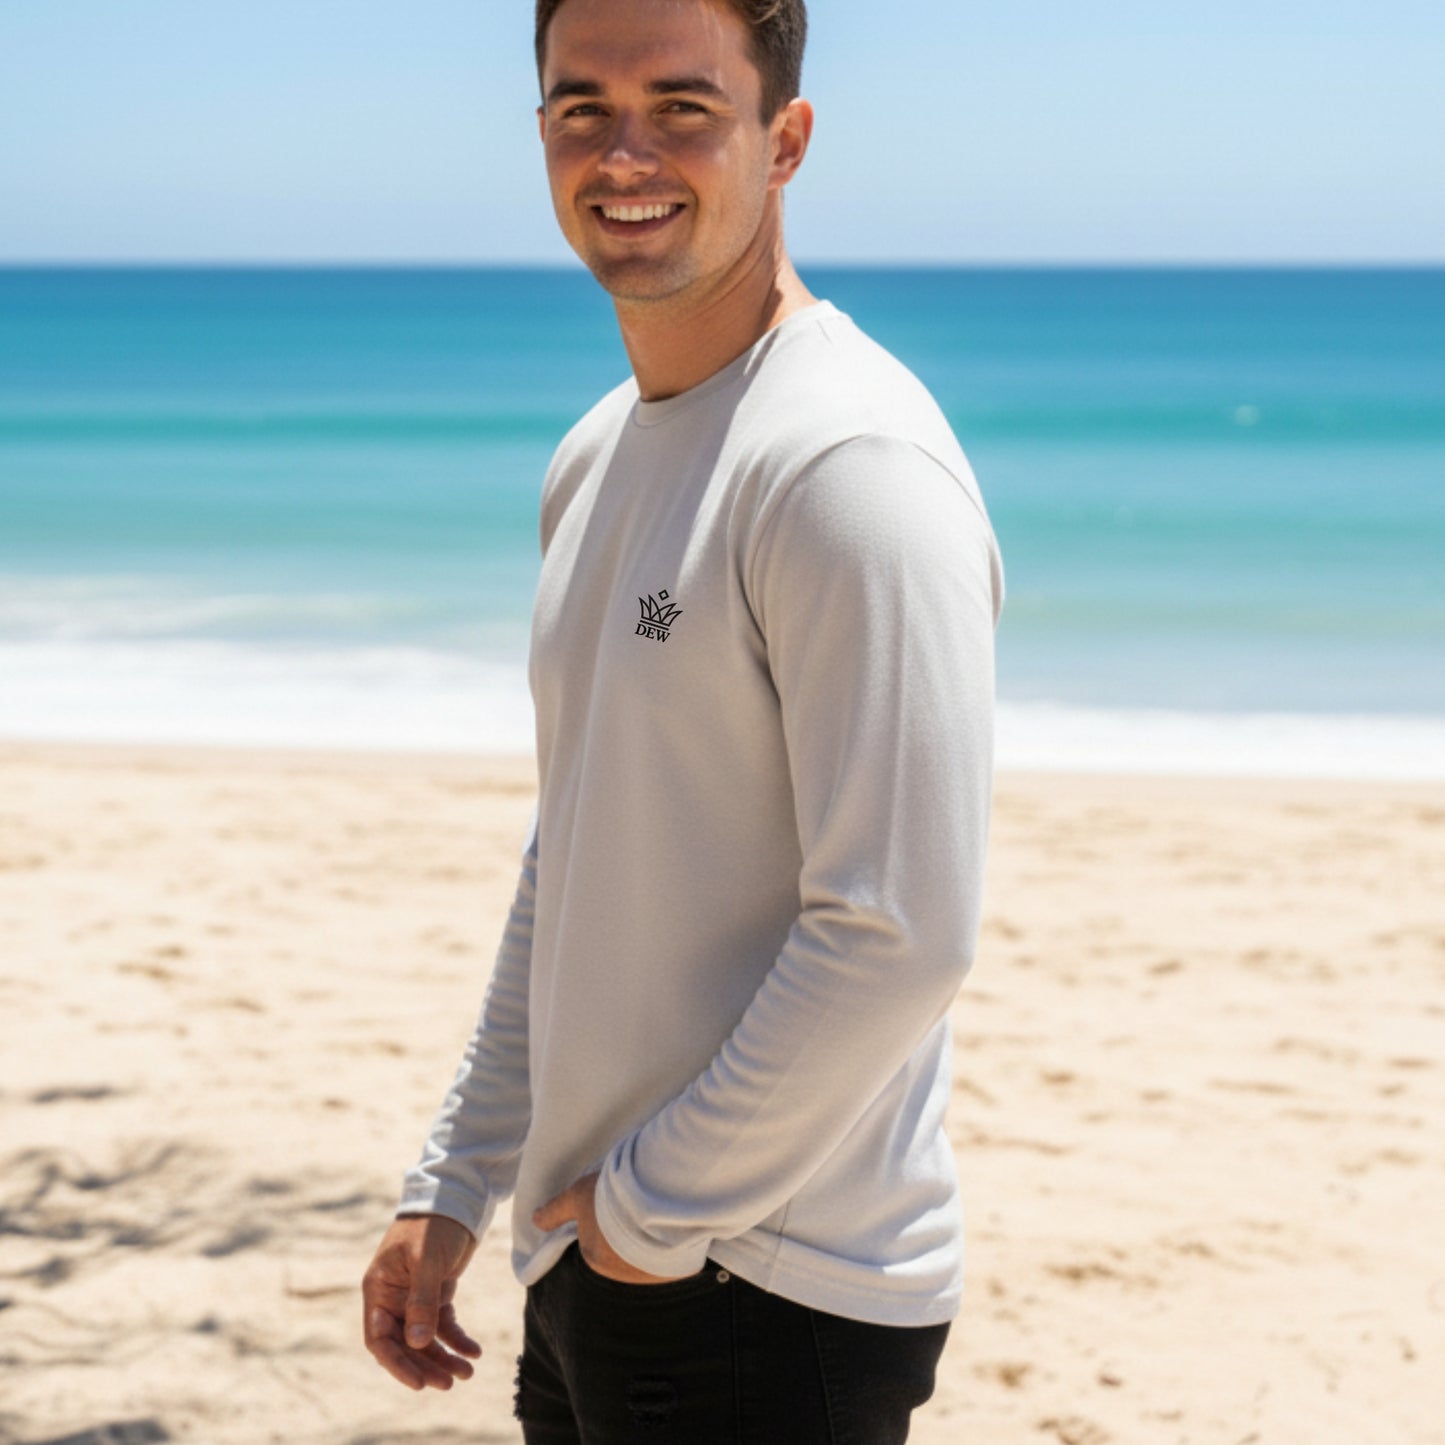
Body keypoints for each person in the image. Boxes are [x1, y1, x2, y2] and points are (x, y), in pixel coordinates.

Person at [361, 0, 1005, 1438]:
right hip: (601, 1249)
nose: (624, 149)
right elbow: (575, 860)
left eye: (683, 105)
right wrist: (454, 1183)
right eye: (581, 105)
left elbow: (901, 926)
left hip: (768, 1284)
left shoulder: (846, 466)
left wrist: (650, 1214)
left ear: (784, 141)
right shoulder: (595, 454)